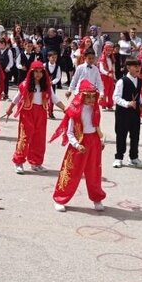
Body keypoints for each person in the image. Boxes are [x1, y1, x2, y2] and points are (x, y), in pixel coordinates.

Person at [51, 80, 105, 212]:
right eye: (88, 96)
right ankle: (60, 198)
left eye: (93, 96)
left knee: (94, 172)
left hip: (94, 142)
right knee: (71, 172)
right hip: (79, 143)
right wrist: (76, 145)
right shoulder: (74, 111)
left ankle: (97, 198)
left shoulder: (95, 109)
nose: (91, 99)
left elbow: (96, 127)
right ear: (82, 96)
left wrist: (101, 140)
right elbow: (69, 132)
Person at [7, 61, 50, 174]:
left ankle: (36, 162)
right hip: (27, 113)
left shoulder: (45, 85)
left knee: (39, 139)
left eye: (40, 72)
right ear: (31, 72)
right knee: (25, 138)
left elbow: (54, 98)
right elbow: (17, 97)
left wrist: (65, 109)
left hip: (41, 113)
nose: (38, 74)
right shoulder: (25, 84)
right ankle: (18, 162)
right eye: (36, 72)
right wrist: (10, 108)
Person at [113, 59, 142, 169]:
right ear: (128, 67)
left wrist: (141, 104)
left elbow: (138, 95)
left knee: (135, 135)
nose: (138, 68)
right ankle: (119, 158)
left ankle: (133, 157)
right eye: (135, 66)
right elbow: (116, 97)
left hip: (135, 112)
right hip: (123, 112)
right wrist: (127, 103)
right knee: (121, 135)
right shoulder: (122, 81)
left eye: (139, 66)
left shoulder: (140, 81)